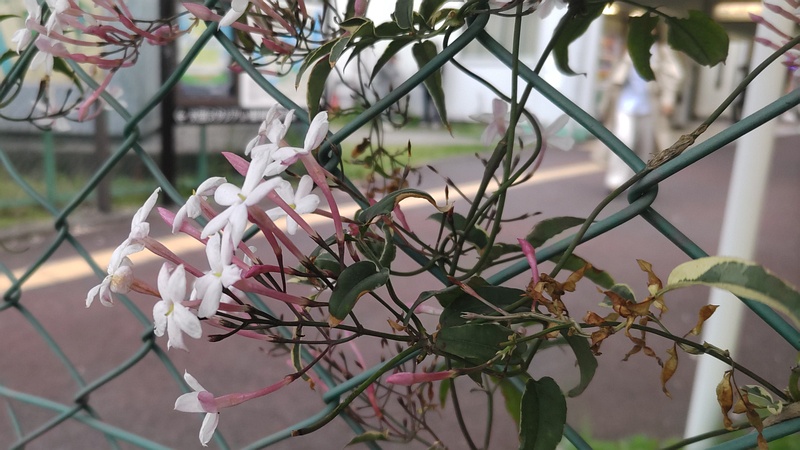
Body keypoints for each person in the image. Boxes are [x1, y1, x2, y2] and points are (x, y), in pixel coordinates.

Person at [602, 41, 683, 190]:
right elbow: (615, 77)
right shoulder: (628, 47)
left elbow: (673, 76)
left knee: (646, 145)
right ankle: (616, 181)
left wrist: (668, 99)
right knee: (622, 140)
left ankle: (642, 181)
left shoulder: (662, 51)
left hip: (650, 105)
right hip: (624, 103)